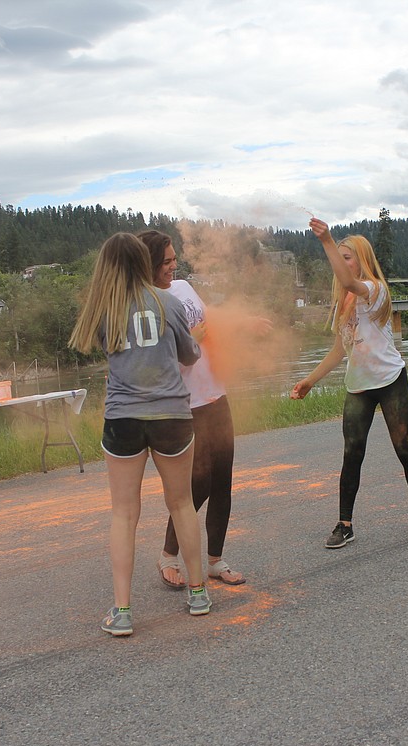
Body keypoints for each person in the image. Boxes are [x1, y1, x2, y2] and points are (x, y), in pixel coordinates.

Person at [68, 232, 211, 637]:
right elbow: (188, 355)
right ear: (142, 262)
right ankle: (198, 594)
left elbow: (109, 351)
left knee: (124, 512)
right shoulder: (168, 302)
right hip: (172, 416)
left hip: (123, 419)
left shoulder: (103, 311)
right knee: (181, 503)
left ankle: (123, 611)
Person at [138, 229, 270, 589]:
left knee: (222, 479)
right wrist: (188, 342)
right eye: (165, 261)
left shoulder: (182, 289)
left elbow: (208, 318)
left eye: (174, 258)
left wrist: (245, 323)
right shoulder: (146, 304)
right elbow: (152, 361)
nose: (173, 266)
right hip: (186, 403)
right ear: (148, 263)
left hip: (215, 394)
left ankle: (216, 560)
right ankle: (168, 555)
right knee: (195, 485)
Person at [290, 217, 408, 548]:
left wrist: (326, 241)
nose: (342, 261)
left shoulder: (374, 290)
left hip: (390, 380)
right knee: (352, 452)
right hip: (359, 386)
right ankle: (345, 524)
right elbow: (341, 349)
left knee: (404, 447)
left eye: (347, 256)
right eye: (340, 256)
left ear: (362, 260)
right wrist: (310, 380)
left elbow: (350, 282)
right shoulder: (346, 303)